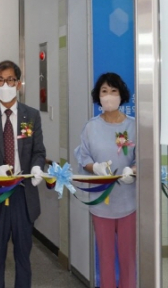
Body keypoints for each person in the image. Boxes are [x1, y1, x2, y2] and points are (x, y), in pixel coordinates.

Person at [0, 60, 46, 288]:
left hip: (24, 195)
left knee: (23, 256)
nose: (5, 85)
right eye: (1, 80)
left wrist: (37, 167)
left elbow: (38, 151)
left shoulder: (31, 115)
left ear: (19, 84)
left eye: (10, 80)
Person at [74, 72, 136, 288]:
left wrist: (132, 171)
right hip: (101, 204)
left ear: (121, 95)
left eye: (113, 91)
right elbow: (83, 157)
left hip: (129, 203)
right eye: (104, 91)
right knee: (105, 258)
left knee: (128, 258)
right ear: (98, 97)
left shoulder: (133, 126)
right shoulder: (91, 127)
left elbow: (144, 158)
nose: (109, 95)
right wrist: (95, 167)